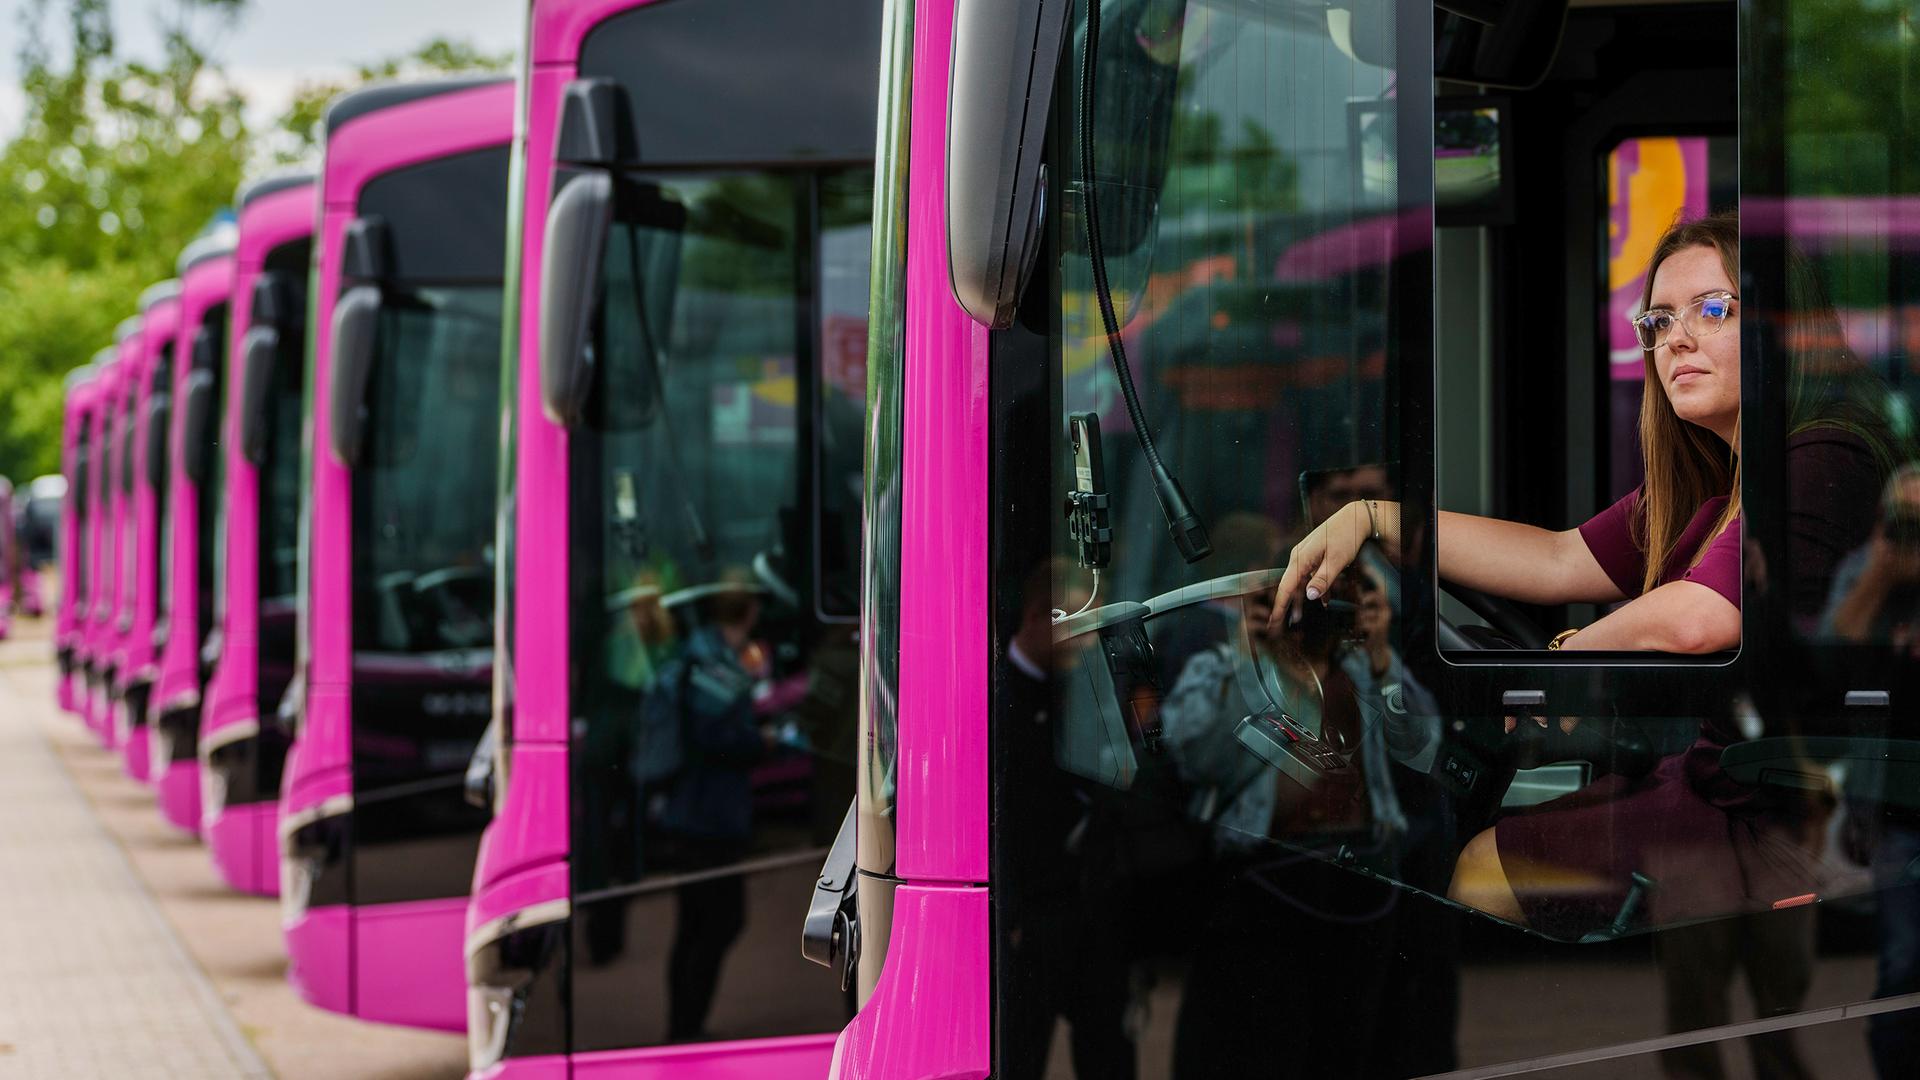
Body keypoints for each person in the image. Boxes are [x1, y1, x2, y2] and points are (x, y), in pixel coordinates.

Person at [1269, 210, 1895, 936]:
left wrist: (1567, 660)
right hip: (1730, 785)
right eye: (1659, 322)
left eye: (1714, 309)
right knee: (1510, 831)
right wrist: (1375, 519)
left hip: (1787, 818)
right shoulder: (1719, 489)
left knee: (1482, 864)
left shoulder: (1822, 460)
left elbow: (1702, 619)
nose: (1677, 340)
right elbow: (1559, 557)